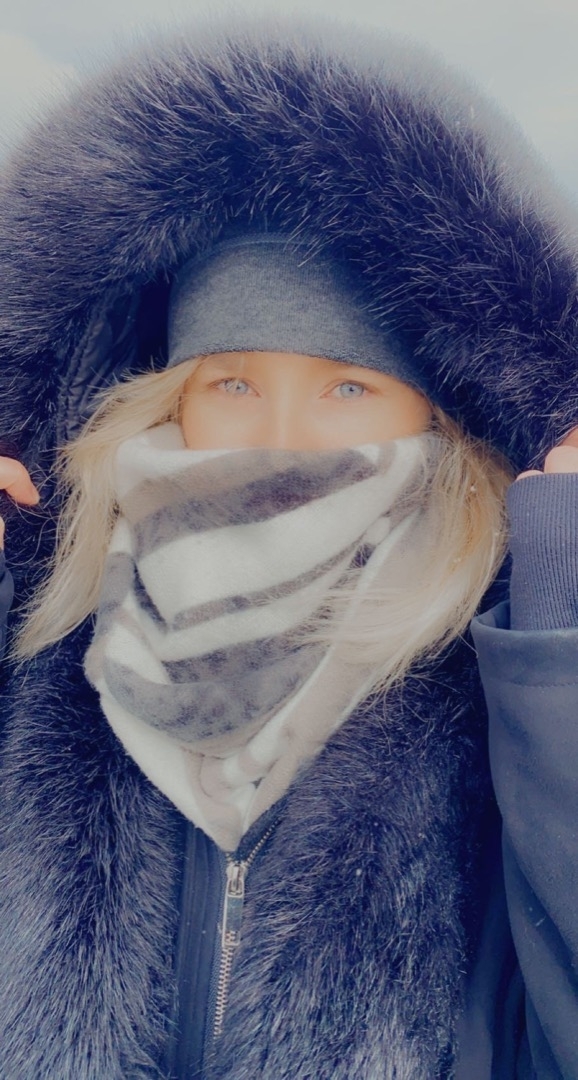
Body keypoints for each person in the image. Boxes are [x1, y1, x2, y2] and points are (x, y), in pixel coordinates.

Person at [0, 17, 578, 1080]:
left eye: (346, 388)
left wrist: (563, 637)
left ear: (435, 415)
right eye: (232, 382)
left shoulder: (500, 676)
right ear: (167, 400)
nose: (280, 436)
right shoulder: (43, 649)